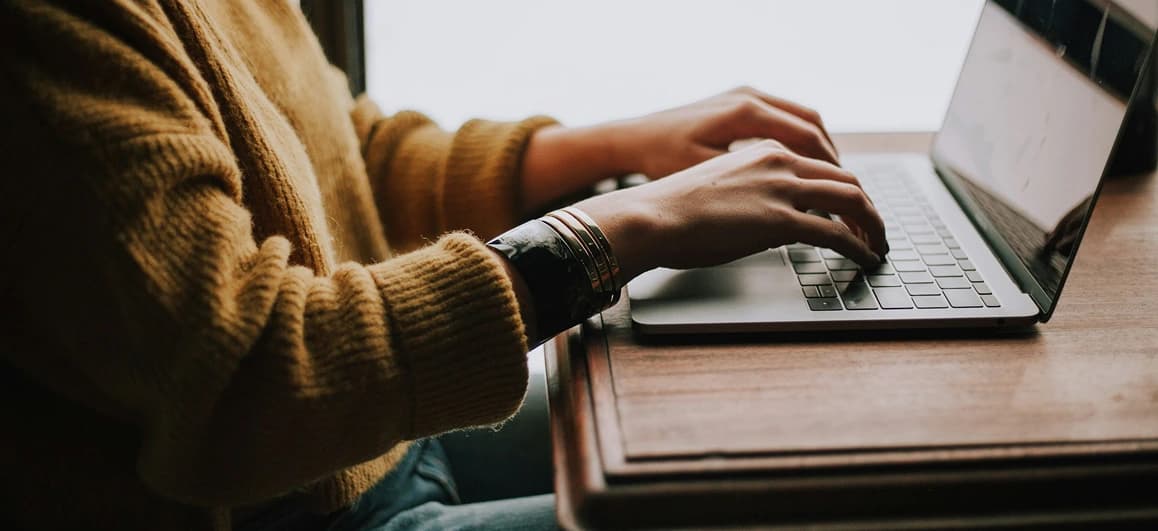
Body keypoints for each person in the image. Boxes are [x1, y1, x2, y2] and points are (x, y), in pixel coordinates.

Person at [0, 1, 887, 530]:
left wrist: (620, 146)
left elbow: (341, 152)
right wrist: (621, 226)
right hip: (279, 504)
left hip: (373, 444)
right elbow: (247, 377)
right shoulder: (47, 31)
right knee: (792, 511)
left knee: (784, 445)